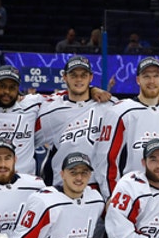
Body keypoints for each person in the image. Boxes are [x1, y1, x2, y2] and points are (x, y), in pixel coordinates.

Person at [94, 56, 159, 199]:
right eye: (146, 76)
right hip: (131, 195)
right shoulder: (120, 111)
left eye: (156, 76)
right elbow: (106, 160)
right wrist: (112, 197)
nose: (152, 81)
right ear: (138, 80)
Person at [34, 55, 115, 186]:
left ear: (91, 77)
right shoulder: (50, 111)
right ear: (64, 77)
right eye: (73, 75)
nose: (79, 79)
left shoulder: (109, 106)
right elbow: (27, 138)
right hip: (62, 187)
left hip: (98, 188)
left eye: (83, 75)